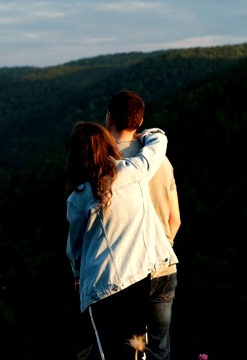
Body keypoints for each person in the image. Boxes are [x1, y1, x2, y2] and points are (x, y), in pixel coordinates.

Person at [66, 121, 178, 360]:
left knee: (112, 353)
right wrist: (148, 132)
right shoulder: (133, 171)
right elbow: (158, 145)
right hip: (137, 277)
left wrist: (78, 274)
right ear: (108, 144)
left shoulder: (79, 196)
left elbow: (75, 249)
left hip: (101, 287)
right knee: (138, 351)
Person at [106, 90, 181, 360]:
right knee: (160, 347)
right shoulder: (162, 160)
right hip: (164, 266)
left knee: (129, 349)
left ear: (109, 118)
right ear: (140, 122)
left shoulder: (105, 163)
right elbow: (175, 219)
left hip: (127, 270)